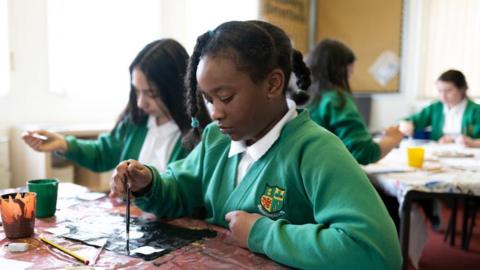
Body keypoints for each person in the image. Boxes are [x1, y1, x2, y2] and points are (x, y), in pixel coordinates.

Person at [110, 21, 402, 269]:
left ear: (273, 85)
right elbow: (179, 189)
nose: (215, 113)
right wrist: (148, 182)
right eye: (209, 100)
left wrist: (261, 233)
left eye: (225, 98)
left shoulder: (316, 150)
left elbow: (375, 251)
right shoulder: (216, 140)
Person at [22, 39, 211, 173]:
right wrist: (63, 144)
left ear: (175, 89)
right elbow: (103, 153)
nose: (140, 102)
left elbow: (183, 194)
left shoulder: (199, 136)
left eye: (151, 94)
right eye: (137, 91)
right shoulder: (135, 122)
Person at [305, 39, 404, 165]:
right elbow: (363, 152)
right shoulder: (335, 100)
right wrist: (393, 139)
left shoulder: (304, 98)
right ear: (340, 71)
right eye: (349, 74)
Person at [399, 69, 480, 147]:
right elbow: (408, 120)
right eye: (440, 91)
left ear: (462, 89)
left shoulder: (476, 111)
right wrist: (405, 124)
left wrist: (472, 143)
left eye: (448, 91)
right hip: (439, 155)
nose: (443, 96)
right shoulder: (435, 108)